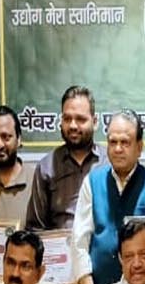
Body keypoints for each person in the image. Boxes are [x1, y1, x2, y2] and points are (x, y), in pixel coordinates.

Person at [72, 111, 145, 284]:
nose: (118, 149)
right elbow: (79, 245)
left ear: (139, 147)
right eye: (112, 142)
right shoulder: (92, 182)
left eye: (125, 142)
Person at [24, 85, 103, 231]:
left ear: (95, 121)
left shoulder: (109, 164)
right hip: (59, 245)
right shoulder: (46, 167)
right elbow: (35, 228)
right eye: (67, 119)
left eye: (80, 119)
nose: (73, 126)